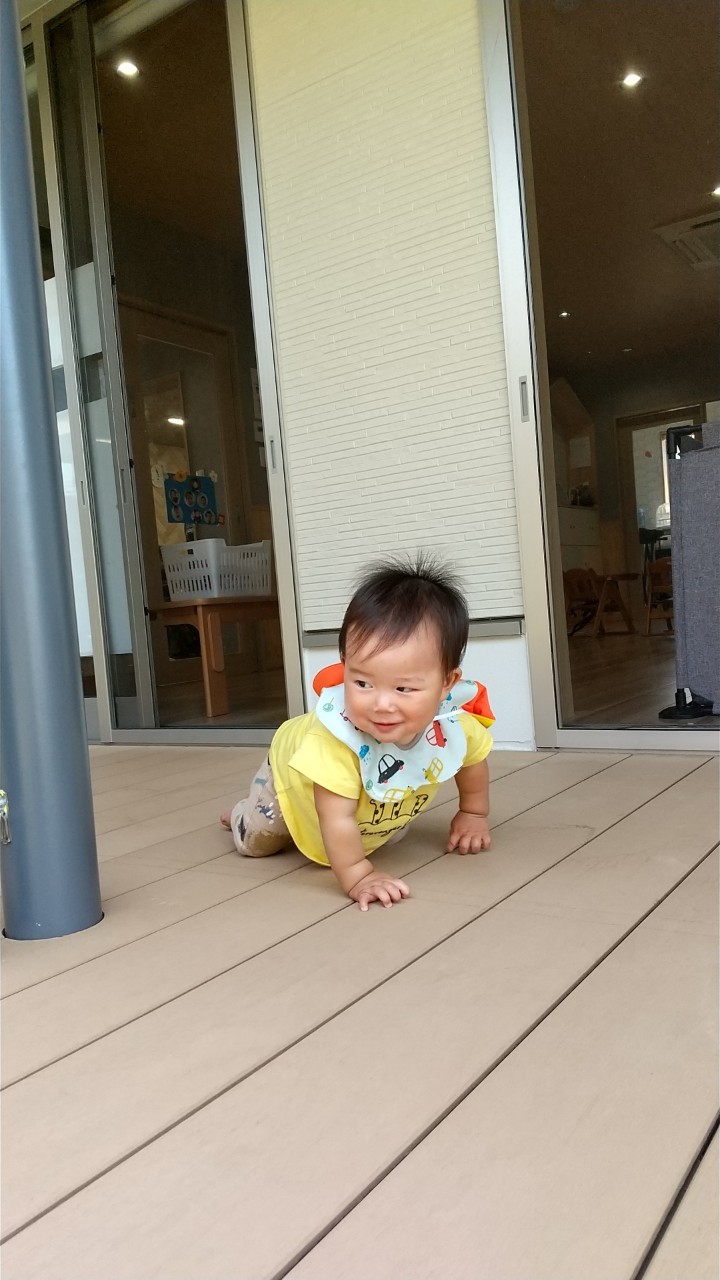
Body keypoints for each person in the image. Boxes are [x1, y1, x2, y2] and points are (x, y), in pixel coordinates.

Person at [221, 555, 495, 910]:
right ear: (345, 666)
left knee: (387, 835)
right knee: (259, 839)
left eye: (403, 689)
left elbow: (472, 759)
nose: (381, 704)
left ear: (447, 683)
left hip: (362, 803)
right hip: (291, 774)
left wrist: (473, 813)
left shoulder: (452, 724)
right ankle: (243, 811)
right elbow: (336, 816)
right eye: (363, 682)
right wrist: (359, 875)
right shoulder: (333, 741)